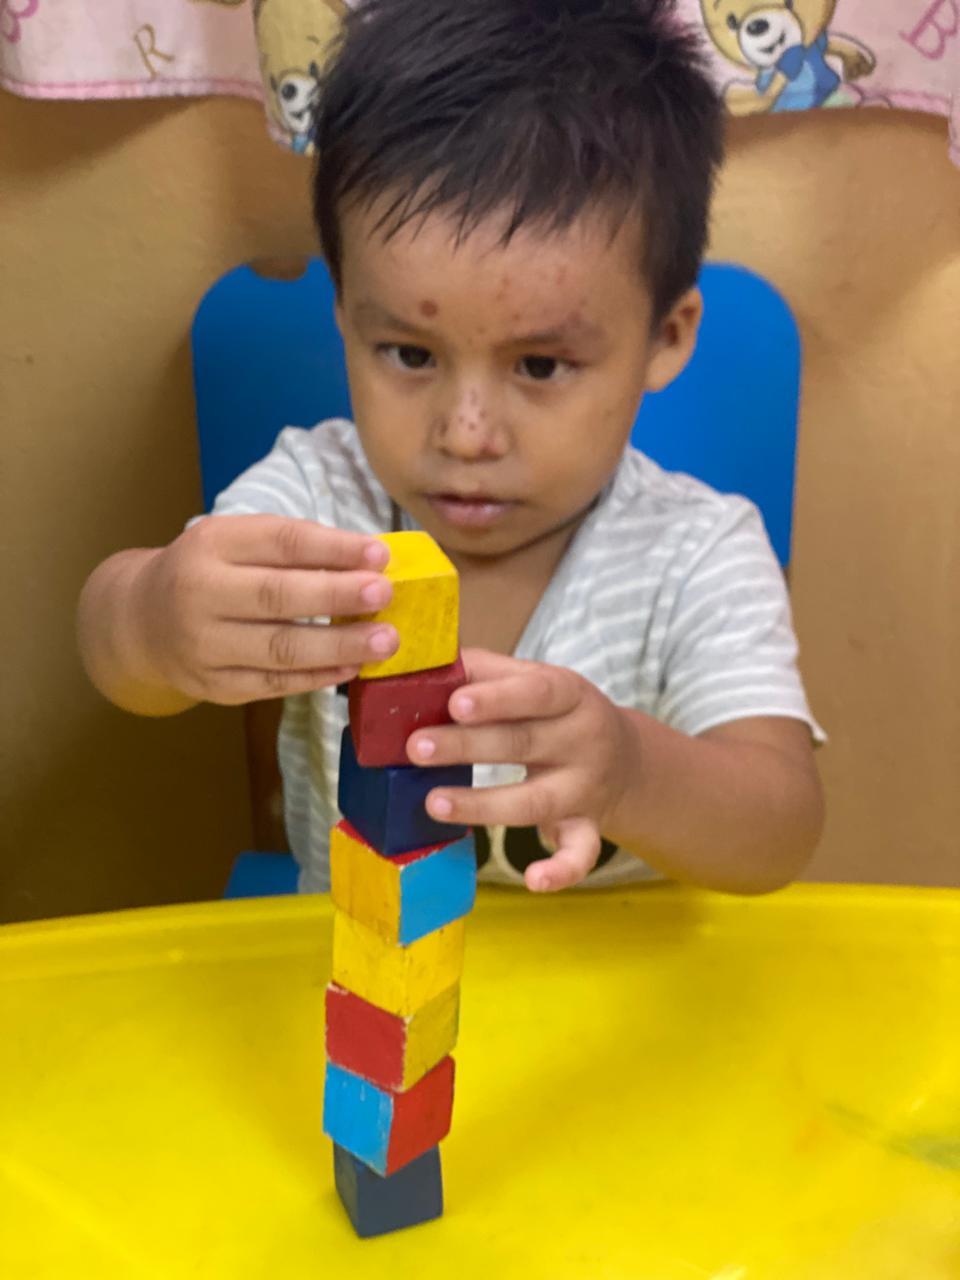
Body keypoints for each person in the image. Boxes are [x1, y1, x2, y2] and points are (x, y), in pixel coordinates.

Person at [78, 0, 824, 897]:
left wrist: (630, 770)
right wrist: (154, 618)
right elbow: (112, 646)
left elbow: (781, 828)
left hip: (620, 982)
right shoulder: (322, 499)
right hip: (359, 969)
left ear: (666, 337)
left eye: (539, 365)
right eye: (409, 354)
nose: (466, 435)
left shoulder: (698, 552)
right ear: (345, 314)